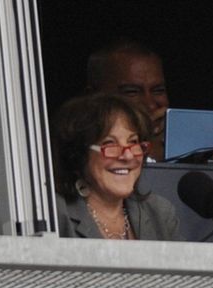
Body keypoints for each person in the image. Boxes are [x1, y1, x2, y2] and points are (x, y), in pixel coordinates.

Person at [52, 92, 183, 240]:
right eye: (109, 143)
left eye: (133, 142)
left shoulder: (159, 213)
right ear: (77, 154)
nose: (128, 156)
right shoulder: (55, 215)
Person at [86, 38, 169, 161]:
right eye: (132, 92)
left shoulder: (183, 146)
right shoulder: (79, 149)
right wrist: (148, 150)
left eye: (158, 91)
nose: (150, 105)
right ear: (94, 96)